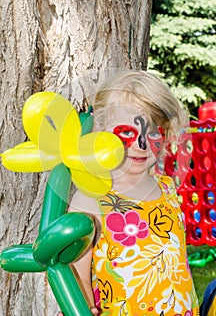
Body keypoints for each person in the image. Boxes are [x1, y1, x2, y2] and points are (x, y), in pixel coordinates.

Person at [68, 70, 199, 316]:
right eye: (127, 132)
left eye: (152, 133)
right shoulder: (92, 198)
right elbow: (77, 272)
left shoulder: (166, 187)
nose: (141, 145)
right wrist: (82, 308)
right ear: (100, 131)